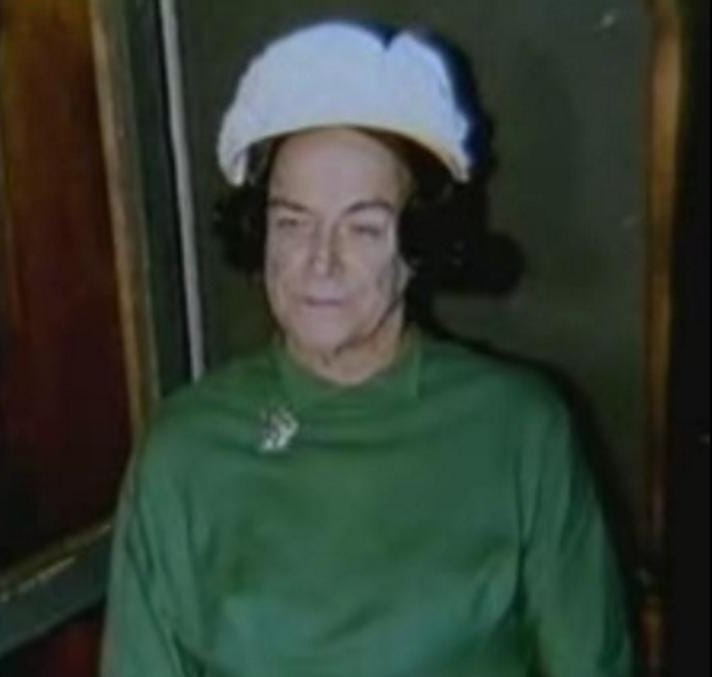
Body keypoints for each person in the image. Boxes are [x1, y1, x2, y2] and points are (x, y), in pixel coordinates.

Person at [100, 20, 633, 677]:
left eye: (363, 228)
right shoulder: (184, 452)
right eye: (293, 222)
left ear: (419, 246)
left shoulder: (521, 430)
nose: (320, 262)